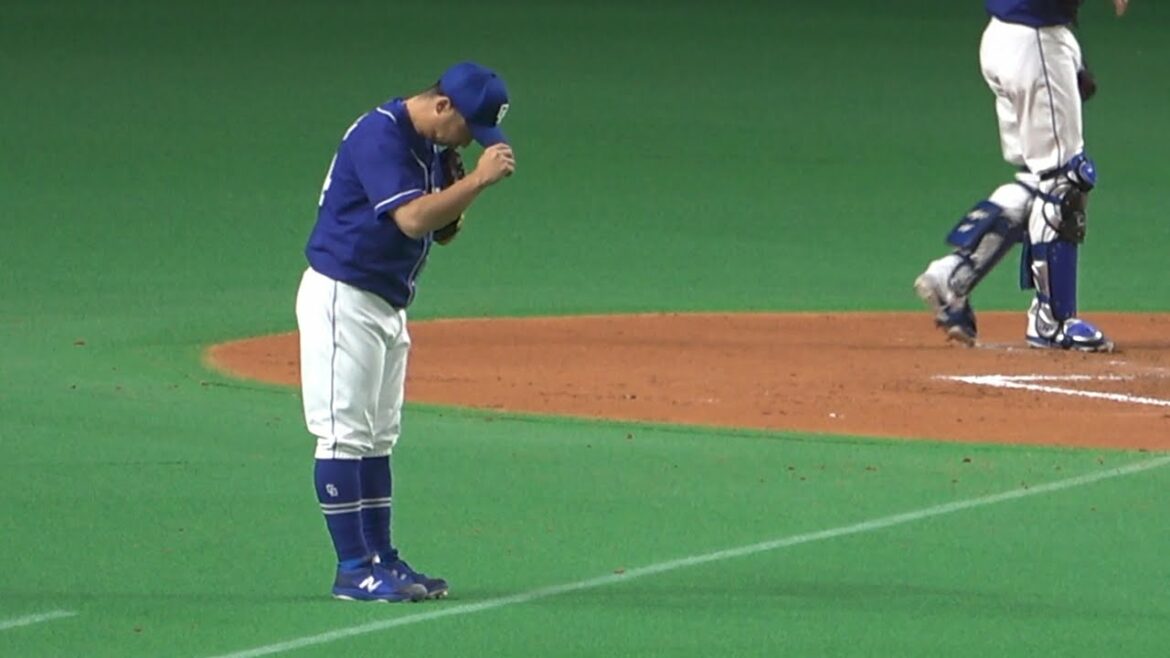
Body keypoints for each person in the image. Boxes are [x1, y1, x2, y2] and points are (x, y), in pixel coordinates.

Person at [295, 61, 516, 602]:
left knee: (377, 437)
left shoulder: (431, 146)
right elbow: (412, 220)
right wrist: (479, 181)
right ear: (442, 105)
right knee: (344, 435)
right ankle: (353, 569)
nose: (468, 139)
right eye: (467, 127)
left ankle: (382, 559)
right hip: (343, 296)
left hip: (386, 303)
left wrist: (460, 193)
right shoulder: (380, 135)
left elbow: (439, 232)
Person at [914, 0, 1129, 351]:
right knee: (1063, 179)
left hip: (1009, 35)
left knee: (1038, 176)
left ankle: (952, 277)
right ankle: (1053, 322)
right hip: (1033, 38)